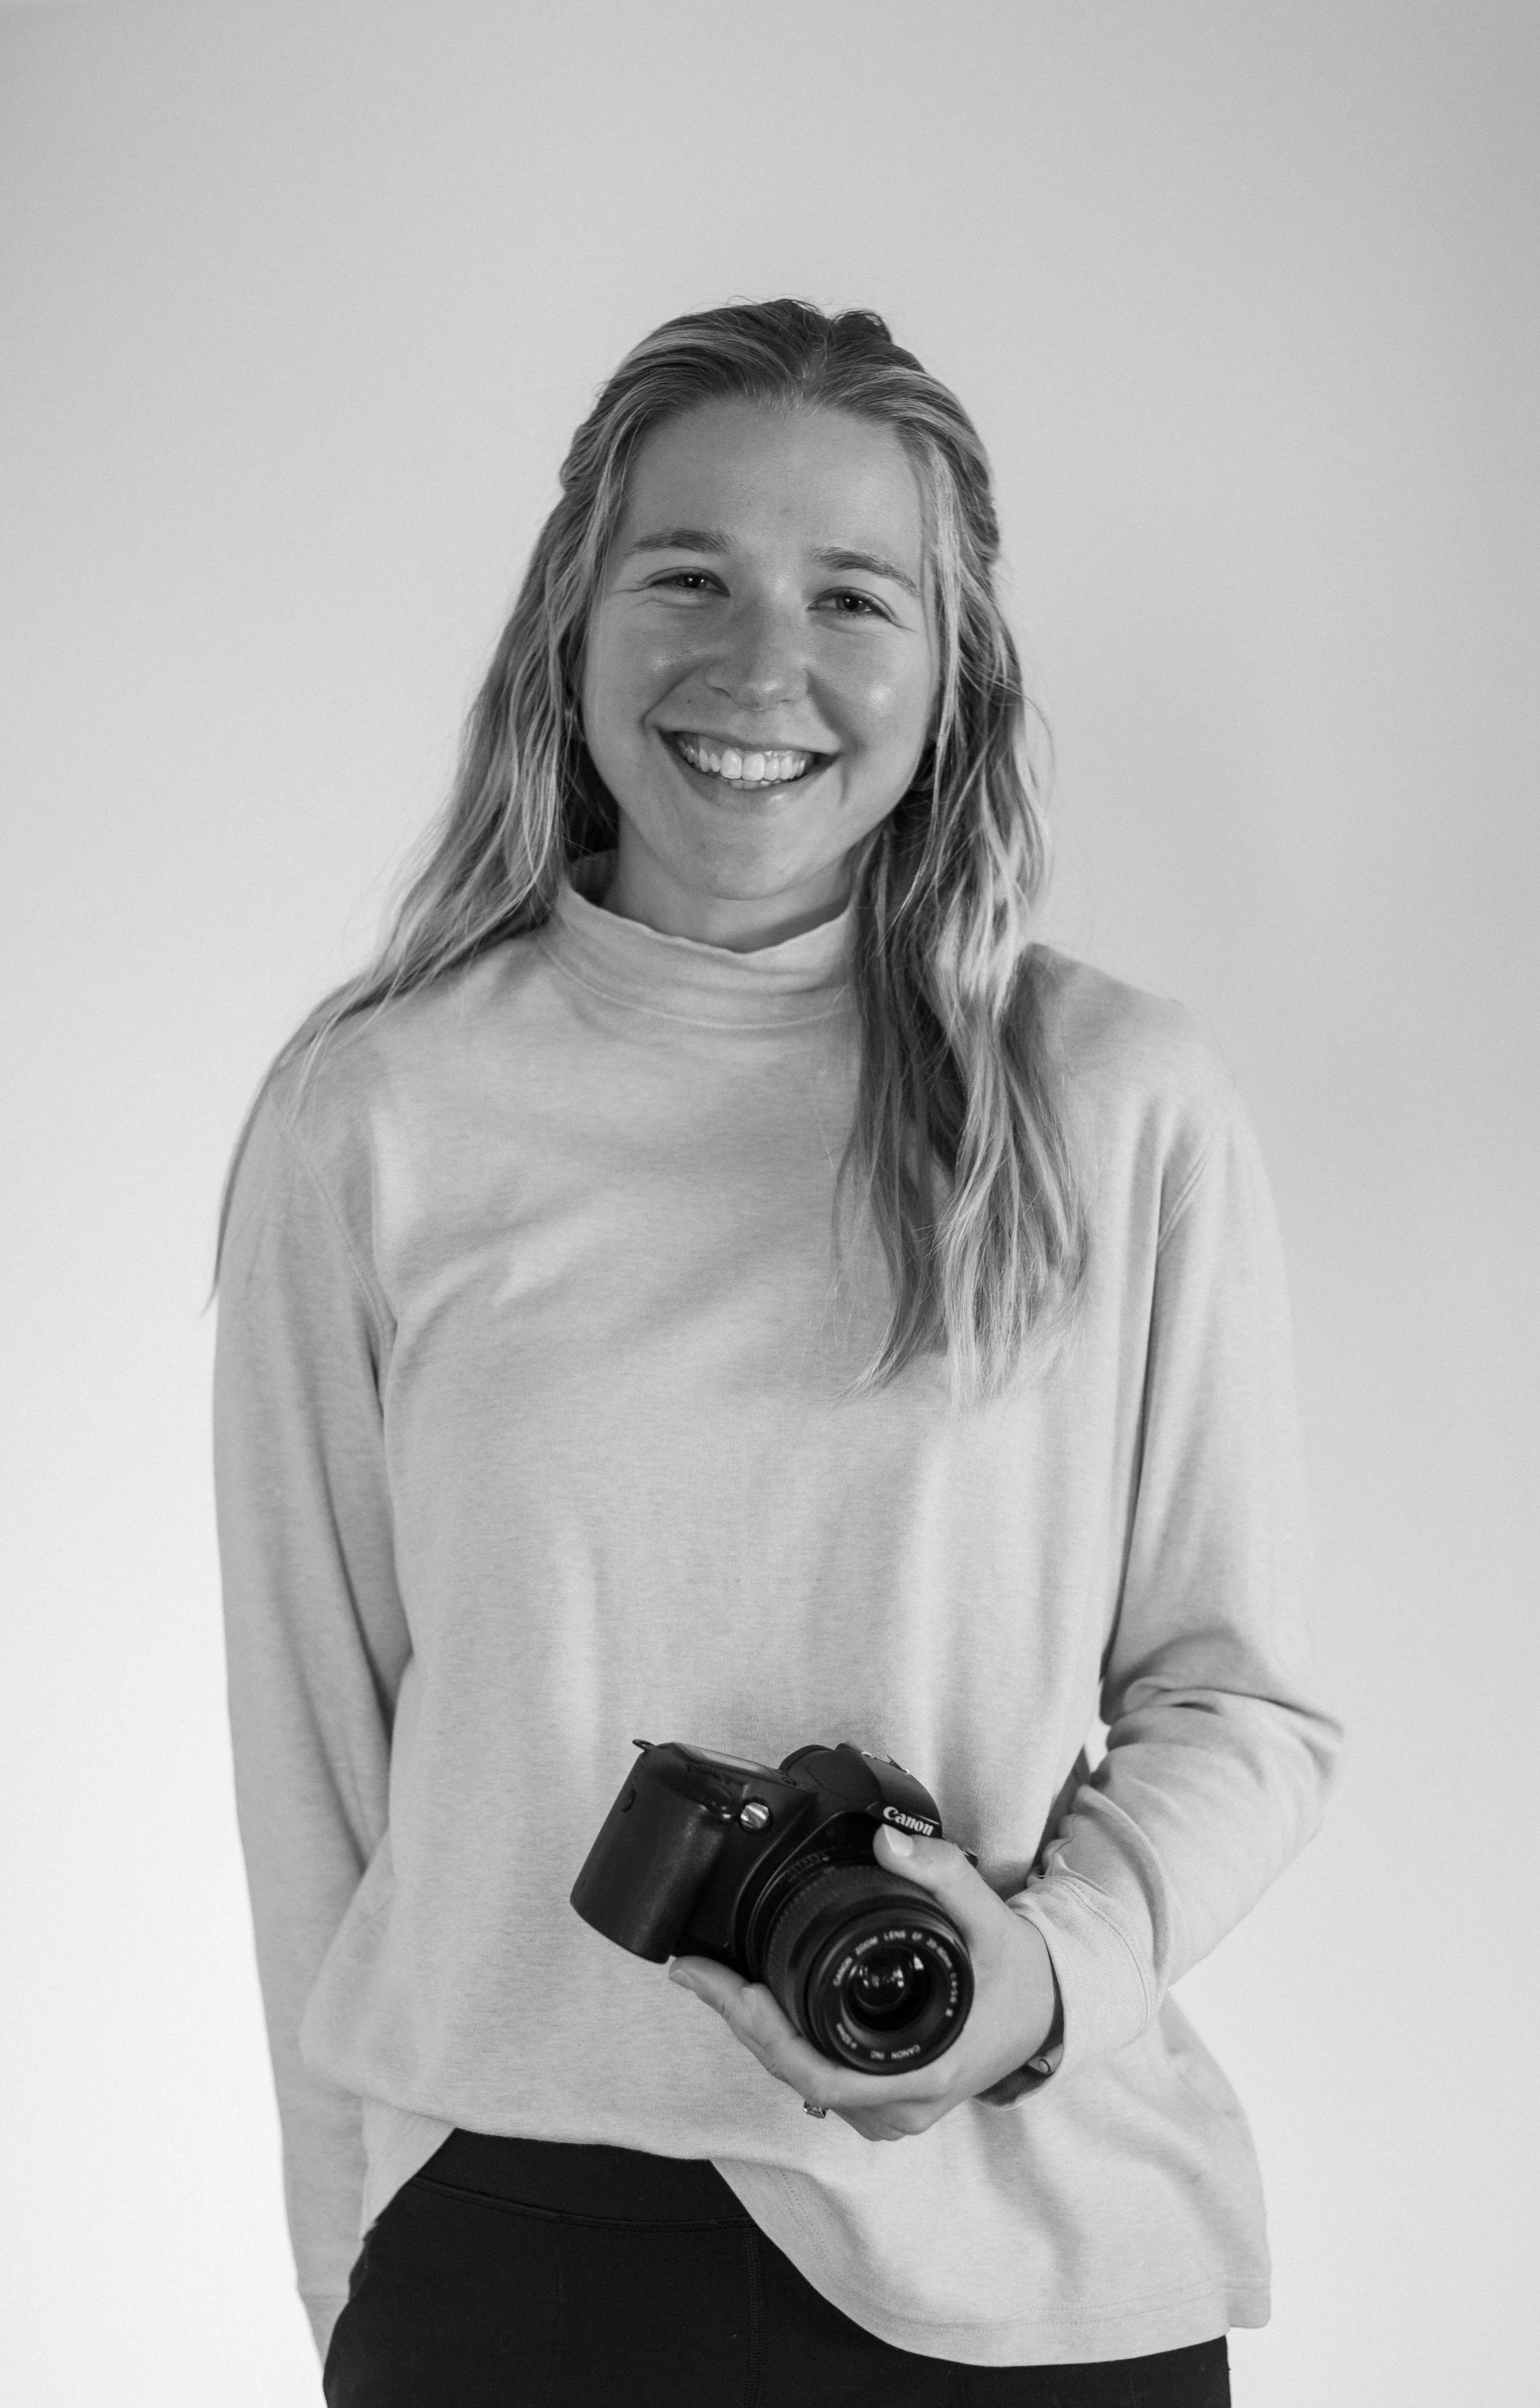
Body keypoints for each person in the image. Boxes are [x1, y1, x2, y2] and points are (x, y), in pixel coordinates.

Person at [209, 298, 1342, 2407]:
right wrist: (356, 2250)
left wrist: (1044, 1978)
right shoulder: (375, 1113)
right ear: (571, 623)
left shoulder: (1117, 1098)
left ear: (950, 669)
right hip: (513, 2259)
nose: (760, 667)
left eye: (850, 596)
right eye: (687, 576)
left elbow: (1236, 1705)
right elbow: (313, 1755)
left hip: (1032, 2260)